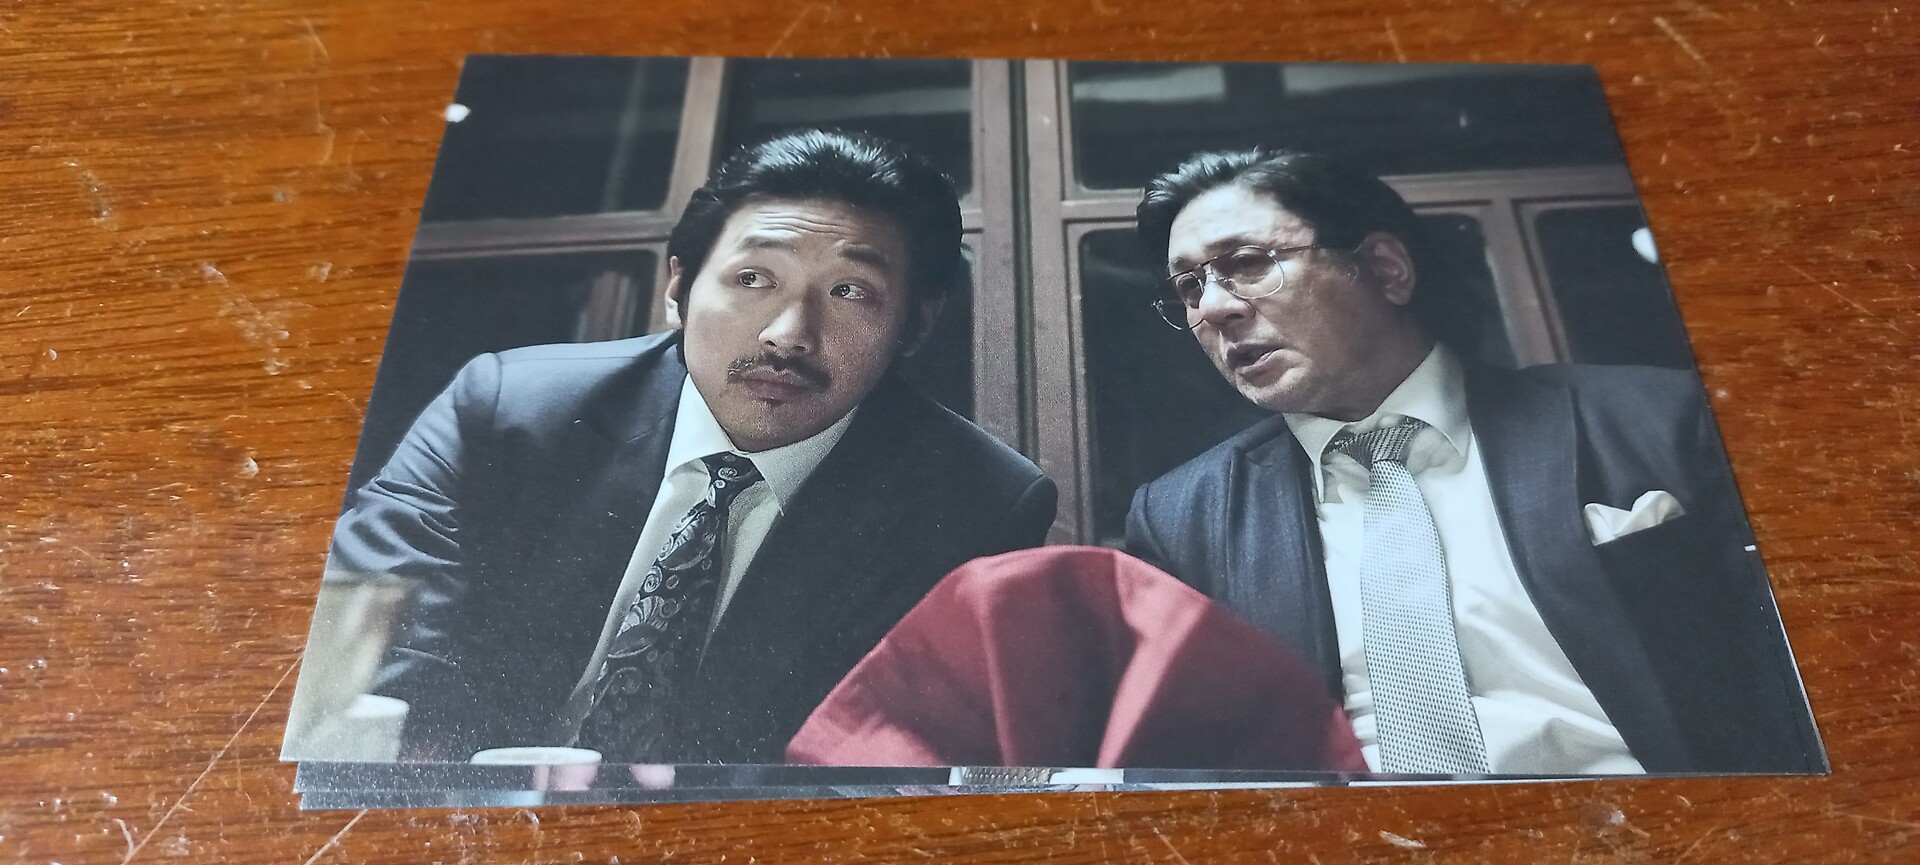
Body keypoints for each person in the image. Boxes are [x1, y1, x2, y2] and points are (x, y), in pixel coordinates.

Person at [327, 129, 1057, 764]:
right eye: (753, 279)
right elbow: (367, 665)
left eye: (849, 292)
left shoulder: (977, 503)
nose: (787, 335)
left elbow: (902, 753)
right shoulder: (508, 409)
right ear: (678, 286)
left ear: (916, 323)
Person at [1122, 149, 1822, 775]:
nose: (1214, 308)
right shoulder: (1183, 518)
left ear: (1386, 269)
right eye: (1190, 288)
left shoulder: (1656, 420)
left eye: (1247, 264)